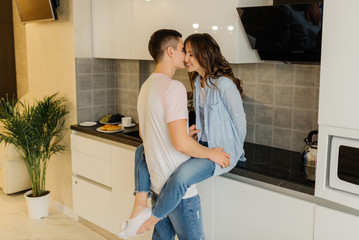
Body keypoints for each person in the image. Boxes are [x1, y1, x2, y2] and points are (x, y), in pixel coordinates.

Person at [118, 29, 232, 240]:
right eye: (182, 49)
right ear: (170, 52)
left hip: (158, 187)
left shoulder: (146, 86)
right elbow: (180, 144)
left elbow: (146, 135)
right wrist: (211, 153)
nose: (186, 55)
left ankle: (139, 206)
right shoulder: (174, 87)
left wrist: (180, 131)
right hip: (181, 196)